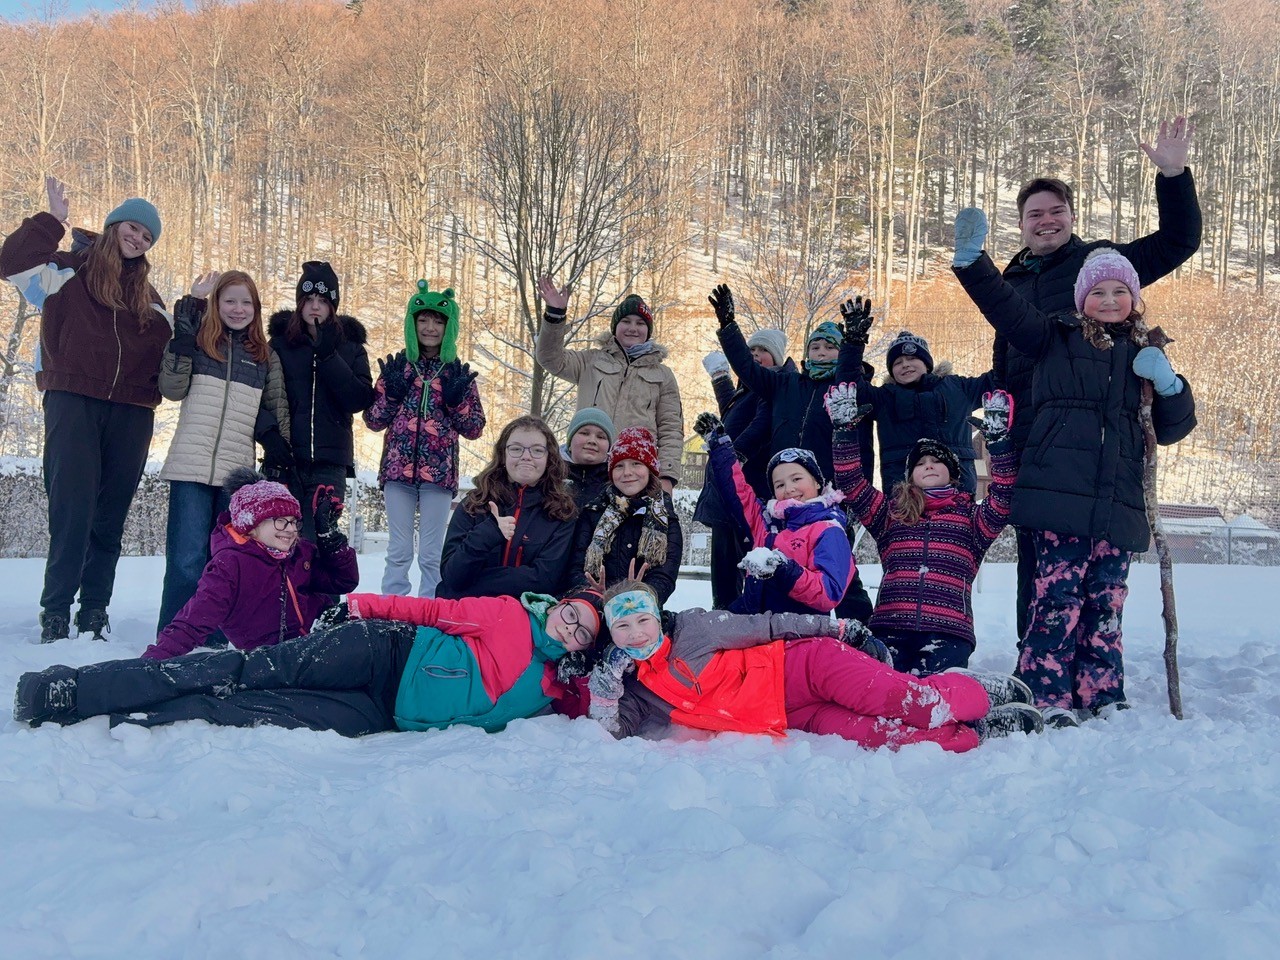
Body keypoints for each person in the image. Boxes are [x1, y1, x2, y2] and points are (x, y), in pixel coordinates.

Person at [953, 216, 1197, 727]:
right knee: (1056, 601)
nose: (1109, 300)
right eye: (1098, 292)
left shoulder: (1145, 354)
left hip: (1118, 504)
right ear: (1081, 298)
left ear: (1134, 297)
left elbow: (1170, 430)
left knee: (1106, 605)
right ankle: (1045, 693)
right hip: (1059, 498)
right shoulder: (1054, 338)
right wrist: (974, 265)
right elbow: (1007, 307)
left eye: (1119, 291)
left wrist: (1171, 386)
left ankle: (1101, 692)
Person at [988, 117, 1201, 639]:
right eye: (1035, 213)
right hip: (1029, 435)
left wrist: (1173, 175)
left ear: (1071, 216)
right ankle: (1034, 657)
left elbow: (1178, 240)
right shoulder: (1011, 278)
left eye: (1056, 211)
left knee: (1094, 555)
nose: (1046, 221)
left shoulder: (1099, 263)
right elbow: (1007, 358)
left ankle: (1090, 659)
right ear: (1021, 223)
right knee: (1035, 554)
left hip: (1093, 436)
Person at [13, 587, 605, 737]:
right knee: (238, 671)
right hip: (383, 652)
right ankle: (69, 691)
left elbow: (607, 706)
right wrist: (358, 607)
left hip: (379, 715)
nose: (569, 626)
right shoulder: (509, 615)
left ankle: (124, 720)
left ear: (584, 649)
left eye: (583, 632)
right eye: (571, 612)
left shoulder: (555, 691)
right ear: (559, 605)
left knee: (248, 711)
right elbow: (432, 608)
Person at [2, 177, 170, 642]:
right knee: (72, 511)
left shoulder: (151, 300)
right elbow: (12, 263)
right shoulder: (67, 270)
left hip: (133, 412)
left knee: (110, 516)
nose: (137, 239)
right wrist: (50, 222)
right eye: (133, 228)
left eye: (147, 236)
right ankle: (56, 609)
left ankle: (94, 609)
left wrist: (196, 308)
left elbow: (176, 355)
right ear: (115, 225)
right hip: (72, 399)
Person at [586, 580, 1043, 750]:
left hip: (804, 665)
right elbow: (614, 731)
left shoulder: (695, 629)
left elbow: (769, 624)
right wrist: (605, 690)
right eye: (623, 627)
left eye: (643, 620)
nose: (637, 634)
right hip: (792, 716)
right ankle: (978, 732)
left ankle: (976, 692)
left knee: (913, 704)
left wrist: (838, 629)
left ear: (657, 617)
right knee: (885, 737)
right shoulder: (638, 691)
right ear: (612, 634)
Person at [708, 284, 877, 620]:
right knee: (783, 563)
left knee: (838, 569)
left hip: (825, 497)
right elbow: (748, 369)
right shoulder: (786, 385)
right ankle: (772, 627)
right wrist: (729, 327)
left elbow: (862, 447)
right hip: (785, 495)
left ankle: (859, 631)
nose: (821, 351)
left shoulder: (846, 391)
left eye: (831, 346)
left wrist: (855, 342)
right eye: (815, 345)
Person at [827, 383, 1017, 675]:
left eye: (937, 461)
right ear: (911, 476)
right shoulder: (891, 514)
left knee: (937, 697)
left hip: (948, 632)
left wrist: (999, 442)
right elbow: (851, 483)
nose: (929, 465)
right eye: (921, 463)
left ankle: (982, 706)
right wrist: (843, 432)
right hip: (890, 628)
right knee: (883, 695)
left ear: (952, 474)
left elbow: (1004, 495)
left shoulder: (971, 518)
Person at [155, 270, 291, 630]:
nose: (237, 308)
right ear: (216, 305)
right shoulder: (200, 342)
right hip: (190, 467)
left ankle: (213, 636)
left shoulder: (264, 356)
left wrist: (278, 446)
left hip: (236, 478)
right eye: (229, 300)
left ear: (256, 309)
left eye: (246, 302)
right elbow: (171, 388)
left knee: (225, 559)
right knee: (186, 559)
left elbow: (274, 408)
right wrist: (182, 336)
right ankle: (175, 633)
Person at [142, 470, 359, 660]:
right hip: (269, 659)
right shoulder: (231, 565)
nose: (291, 529)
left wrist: (331, 541)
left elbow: (344, 581)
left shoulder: (300, 553)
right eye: (280, 520)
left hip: (318, 640)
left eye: (294, 521)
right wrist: (149, 663)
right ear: (251, 524)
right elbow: (194, 621)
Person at [365, 281, 485, 597]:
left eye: (438, 321)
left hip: (439, 474)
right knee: (400, 549)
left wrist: (457, 400)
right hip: (397, 472)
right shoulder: (397, 367)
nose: (430, 327)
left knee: (432, 553)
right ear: (412, 323)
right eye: (423, 319)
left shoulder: (455, 372)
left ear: (449, 326)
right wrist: (391, 395)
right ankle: (392, 607)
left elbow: (475, 428)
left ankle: (430, 610)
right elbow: (373, 420)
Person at [534, 277, 684, 492]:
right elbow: (549, 358)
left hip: (633, 473)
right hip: (588, 467)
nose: (633, 328)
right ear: (615, 327)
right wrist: (555, 316)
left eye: (640, 323)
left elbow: (671, 428)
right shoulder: (591, 361)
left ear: (648, 331)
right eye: (626, 321)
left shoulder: (663, 375)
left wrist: (667, 476)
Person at [695, 412, 851, 616]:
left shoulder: (829, 529)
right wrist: (719, 446)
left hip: (800, 632)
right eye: (780, 484)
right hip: (755, 623)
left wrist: (784, 570)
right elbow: (738, 492)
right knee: (697, 630)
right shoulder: (766, 522)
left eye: (797, 479)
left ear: (817, 482)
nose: (789, 488)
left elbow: (828, 592)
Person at [268, 260, 375, 540]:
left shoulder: (351, 347)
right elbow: (261, 395)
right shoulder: (280, 345)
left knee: (318, 541)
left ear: (333, 306)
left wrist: (329, 357)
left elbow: (360, 399)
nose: (315, 306)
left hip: (330, 462)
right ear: (299, 302)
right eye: (309, 299)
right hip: (286, 460)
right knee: (280, 538)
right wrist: (268, 435)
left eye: (323, 300)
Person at [840, 322, 996, 495]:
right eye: (898, 362)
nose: (905, 364)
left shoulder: (958, 388)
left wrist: (1006, 328)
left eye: (912, 358)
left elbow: (996, 379)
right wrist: (853, 344)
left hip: (958, 492)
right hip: (903, 495)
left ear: (927, 363)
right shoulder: (884, 398)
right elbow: (850, 388)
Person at [437, 415, 578, 599]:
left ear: (548, 458)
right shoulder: (474, 504)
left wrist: (473, 583)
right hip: (465, 613)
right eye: (516, 449)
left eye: (537, 450)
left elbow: (543, 580)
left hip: (524, 619)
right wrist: (488, 533)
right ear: (503, 455)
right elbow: (452, 575)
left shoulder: (562, 513)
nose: (526, 456)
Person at [693, 330, 785, 608]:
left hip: (747, 491)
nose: (755, 355)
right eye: (751, 351)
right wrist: (720, 378)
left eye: (763, 351)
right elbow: (732, 416)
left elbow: (760, 425)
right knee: (722, 568)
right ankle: (723, 617)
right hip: (725, 490)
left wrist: (733, 455)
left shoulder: (771, 388)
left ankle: (749, 619)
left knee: (748, 565)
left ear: (777, 359)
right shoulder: (746, 391)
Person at [567, 427, 683, 604]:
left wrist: (637, 598)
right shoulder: (593, 512)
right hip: (594, 604)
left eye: (636, 464)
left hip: (641, 609)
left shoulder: (665, 516)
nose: (627, 472)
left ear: (650, 469)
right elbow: (576, 568)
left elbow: (664, 576)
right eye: (619, 466)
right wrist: (598, 597)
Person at [562, 407, 616, 511]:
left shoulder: (616, 483)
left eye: (600, 437)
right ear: (569, 441)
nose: (592, 441)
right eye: (584, 433)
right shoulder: (550, 476)